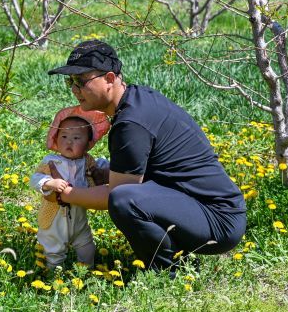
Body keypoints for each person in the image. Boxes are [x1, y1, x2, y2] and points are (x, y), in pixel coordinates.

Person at [48, 40, 246, 271]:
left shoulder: (131, 123)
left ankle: (167, 273)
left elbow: (116, 195)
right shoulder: (137, 99)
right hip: (207, 209)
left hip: (218, 220)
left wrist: (67, 194)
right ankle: (178, 260)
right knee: (125, 193)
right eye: (70, 81)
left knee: (123, 200)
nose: (74, 89)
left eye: (81, 81)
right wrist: (107, 173)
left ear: (110, 79)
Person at [30, 108, 111, 269]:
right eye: (64, 137)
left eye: (76, 138)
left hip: (79, 217)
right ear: (56, 139)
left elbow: (102, 167)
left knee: (87, 246)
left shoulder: (88, 161)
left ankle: (86, 270)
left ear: (88, 144)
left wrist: (107, 171)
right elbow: (35, 178)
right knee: (53, 249)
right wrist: (49, 183)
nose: (69, 142)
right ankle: (53, 272)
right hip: (55, 219)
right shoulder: (52, 161)